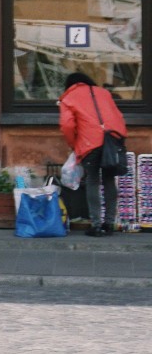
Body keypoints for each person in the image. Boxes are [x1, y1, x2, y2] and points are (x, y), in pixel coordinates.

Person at [59, 71, 129, 236]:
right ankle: (109, 224)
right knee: (109, 179)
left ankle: (96, 225)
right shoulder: (104, 93)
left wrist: (74, 145)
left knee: (92, 181)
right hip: (112, 139)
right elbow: (118, 116)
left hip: (89, 143)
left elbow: (67, 125)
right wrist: (119, 140)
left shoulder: (68, 97)